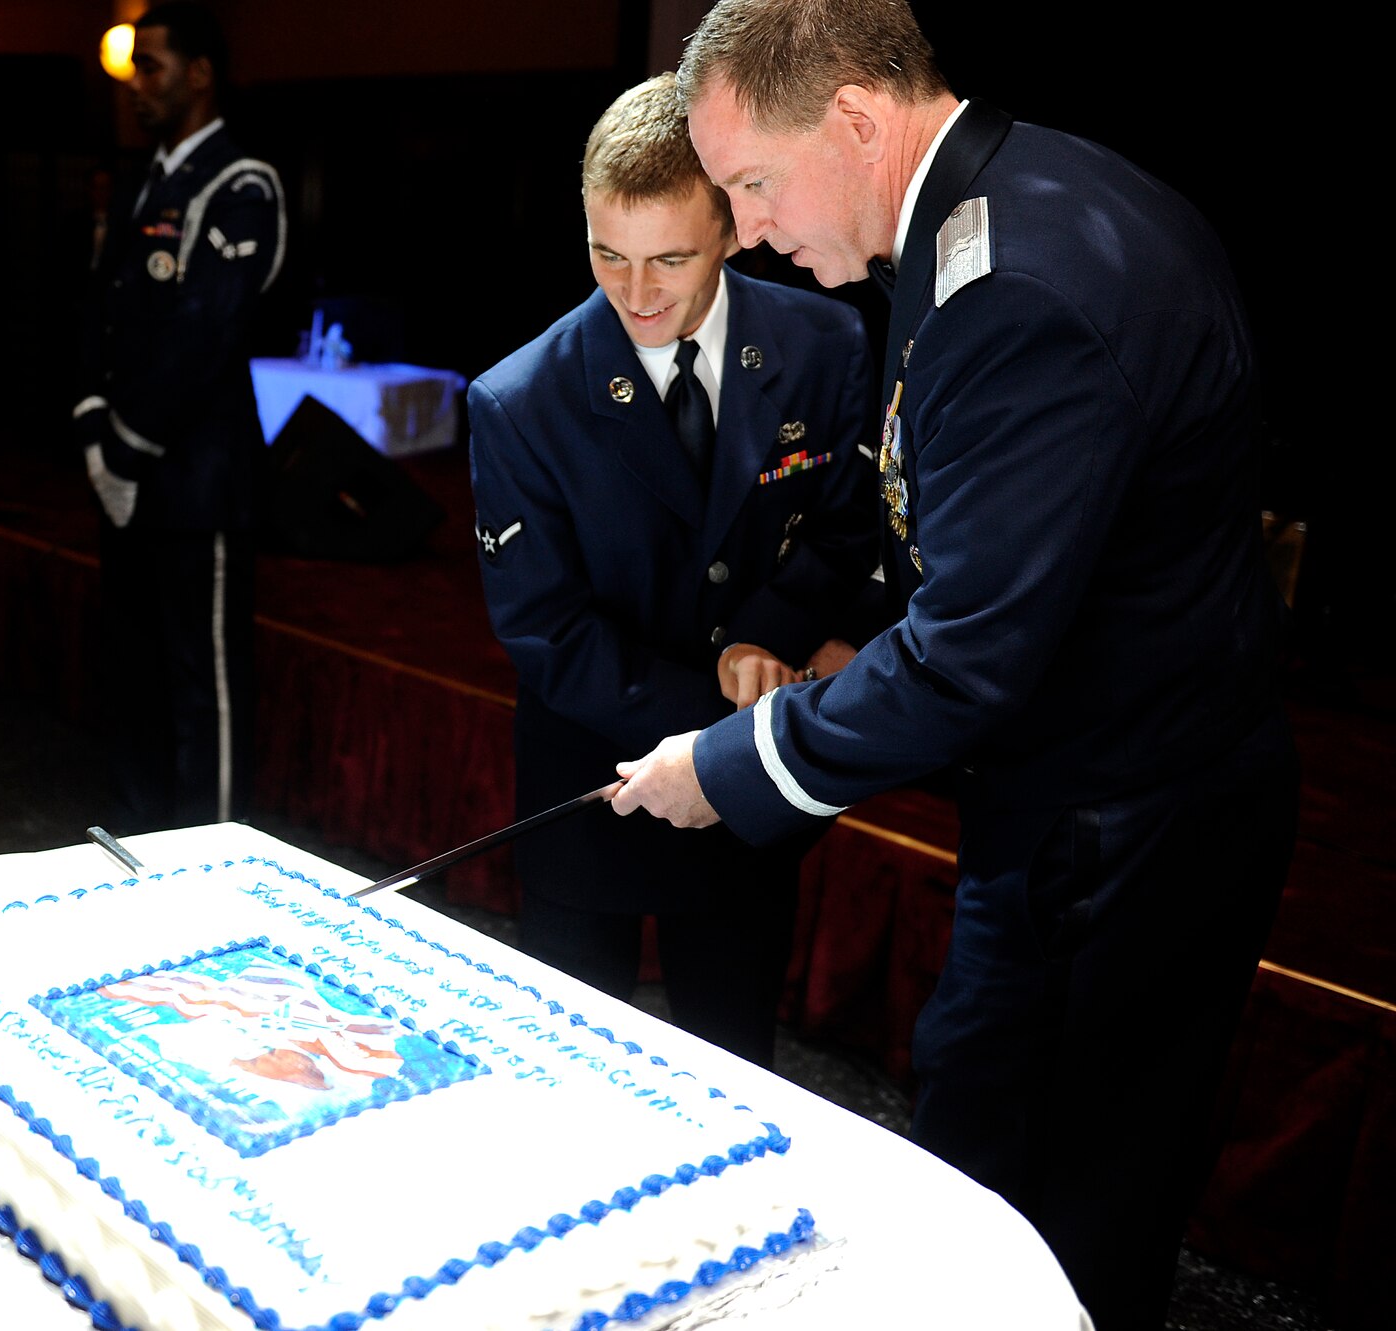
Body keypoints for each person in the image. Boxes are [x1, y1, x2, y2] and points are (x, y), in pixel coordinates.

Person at [611, 4, 1298, 1327]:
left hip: (1118, 829)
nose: (744, 229)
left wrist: (731, 763)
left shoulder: (1011, 291)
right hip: (1120, 775)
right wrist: (853, 624)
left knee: (1039, 1208)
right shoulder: (1010, 199)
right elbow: (991, 520)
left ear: (857, 121)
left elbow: (972, 654)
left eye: (751, 183)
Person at [468, 73, 879, 1067]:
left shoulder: (825, 342)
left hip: (745, 816)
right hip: (592, 790)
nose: (635, 295)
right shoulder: (517, 399)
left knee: (733, 1060)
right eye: (606, 255)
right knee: (570, 1081)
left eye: (668, 258)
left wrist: (763, 637)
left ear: (734, 228)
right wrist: (724, 721)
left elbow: (844, 529)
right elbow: (548, 632)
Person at [71, 2, 285, 829]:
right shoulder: (142, 185)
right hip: (123, 479)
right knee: (133, 675)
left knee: (207, 690)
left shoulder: (241, 183)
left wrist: (124, 448)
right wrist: (94, 427)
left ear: (199, 74)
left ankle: (214, 861)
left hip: (197, 479)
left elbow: (204, 328)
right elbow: (98, 311)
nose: (137, 87)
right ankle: (136, 841)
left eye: (151, 67)